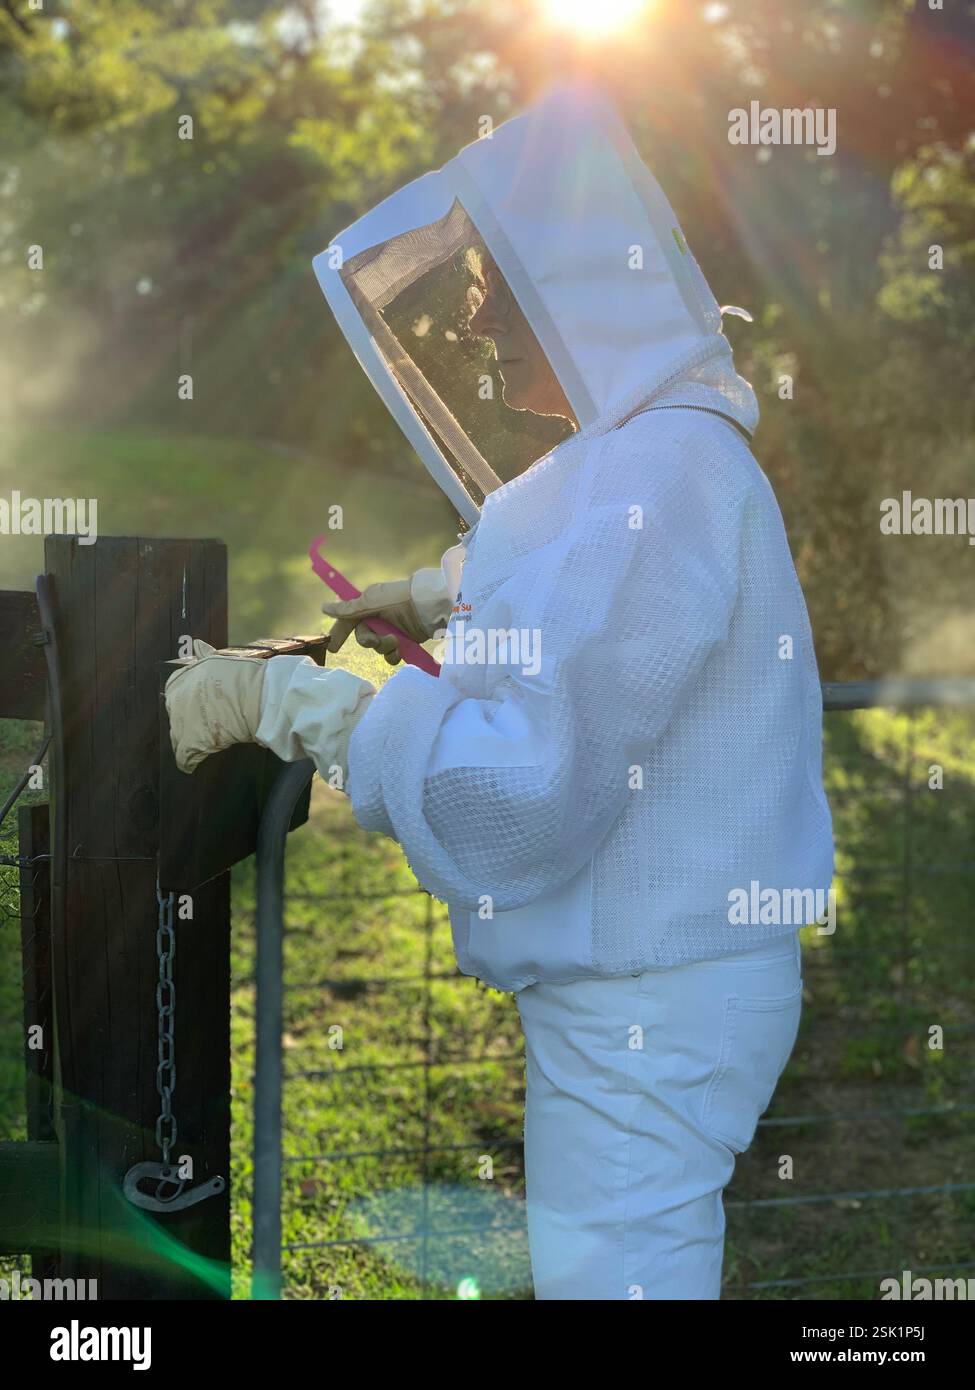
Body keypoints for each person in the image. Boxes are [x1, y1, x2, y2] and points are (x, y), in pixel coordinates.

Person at [165, 80, 834, 1300]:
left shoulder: (660, 470)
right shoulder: (660, 451)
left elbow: (529, 778)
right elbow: (579, 614)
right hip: (657, 979)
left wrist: (300, 713)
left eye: (493, 293)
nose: (476, 324)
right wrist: (436, 594)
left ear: (578, 296)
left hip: (651, 992)